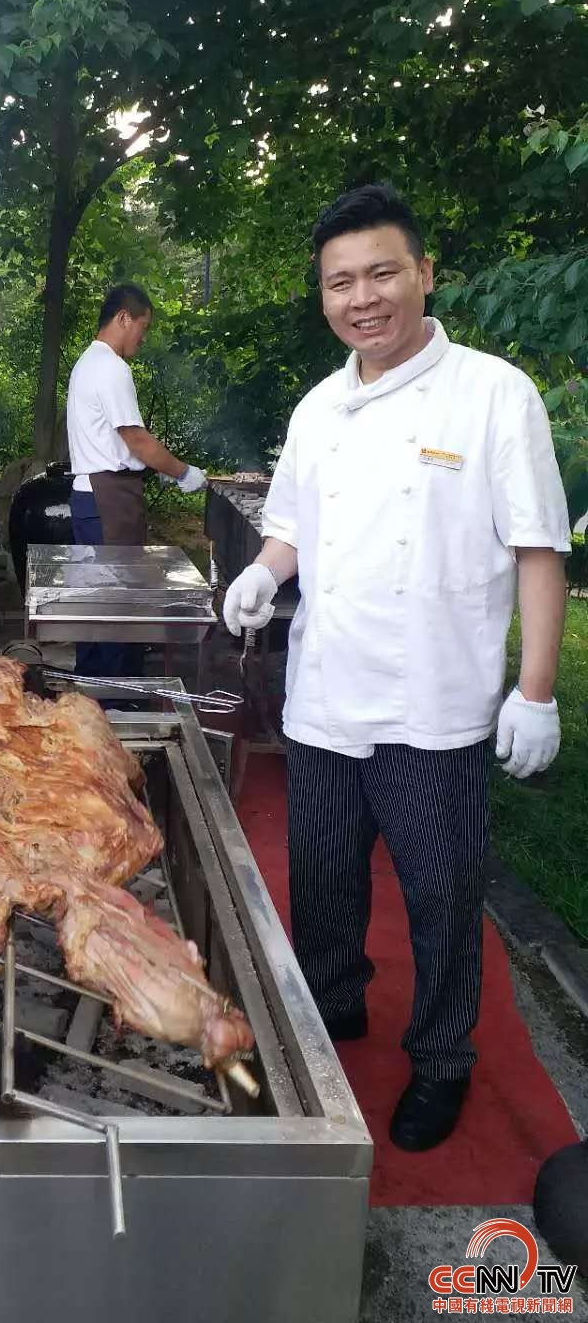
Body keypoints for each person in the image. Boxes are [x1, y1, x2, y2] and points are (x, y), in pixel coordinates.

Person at [221, 184, 570, 1152]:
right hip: (327, 697)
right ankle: (330, 1012)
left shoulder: (496, 393)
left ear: (424, 273)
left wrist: (535, 692)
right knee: (324, 882)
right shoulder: (320, 406)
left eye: (380, 273)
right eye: (341, 282)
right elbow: (291, 525)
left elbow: (541, 549)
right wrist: (261, 571)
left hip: (435, 707)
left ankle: (443, 1060)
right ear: (322, 295)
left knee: (441, 896)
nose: (361, 297)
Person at [65, 282, 207, 679]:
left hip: (94, 495)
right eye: (142, 327)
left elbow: (117, 443)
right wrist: (182, 472)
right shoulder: (112, 367)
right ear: (123, 318)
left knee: (95, 600)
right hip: (108, 499)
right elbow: (137, 439)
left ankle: (91, 691)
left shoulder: (86, 363)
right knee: (116, 604)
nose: (142, 338)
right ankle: (115, 701)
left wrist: (147, 469)